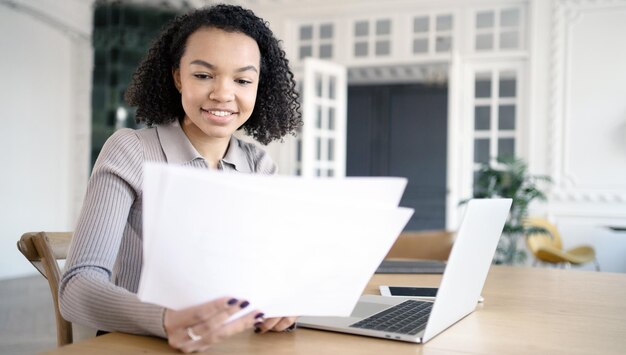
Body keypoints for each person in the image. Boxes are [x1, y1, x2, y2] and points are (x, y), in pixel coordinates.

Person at [59, 4, 302, 353]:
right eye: (203, 75)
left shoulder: (260, 165)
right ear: (177, 77)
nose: (223, 93)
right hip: (139, 344)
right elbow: (77, 288)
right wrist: (165, 319)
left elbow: (274, 272)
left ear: (258, 86)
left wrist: (284, 303)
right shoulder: (131, 151)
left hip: (233, 343)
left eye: (243, 80)